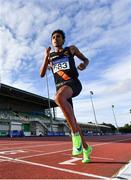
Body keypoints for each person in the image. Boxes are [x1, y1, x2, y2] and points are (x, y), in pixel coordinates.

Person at [40, 29, 92, 163]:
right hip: (61, 89)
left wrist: (83, 65)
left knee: (57, 98)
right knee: (72, 121)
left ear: (63, 40)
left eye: (58, 37)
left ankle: (75, 138)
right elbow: (41, 74)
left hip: (73, 83)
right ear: (51, 41)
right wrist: (46, 56)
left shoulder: (71, 49)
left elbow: (86, 59)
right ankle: (86, 149)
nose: (55, 39)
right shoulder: (50, 56)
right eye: (53, 37)